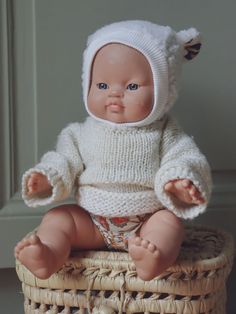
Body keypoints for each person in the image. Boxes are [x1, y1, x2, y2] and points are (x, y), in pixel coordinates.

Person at [14, 20, 212, 281]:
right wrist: (48, 176)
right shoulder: (80, 132)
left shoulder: (166, 132)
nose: (114, 95)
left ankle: (155, 258)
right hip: (91, 222)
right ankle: (49, 254)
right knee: (58, 218)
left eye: (131, 87)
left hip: (146, 221)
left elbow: (185, 157)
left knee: (169, 223)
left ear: (163, 90)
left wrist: (179, 181)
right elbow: (63, 160)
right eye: (102, 86)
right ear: (87, 84)